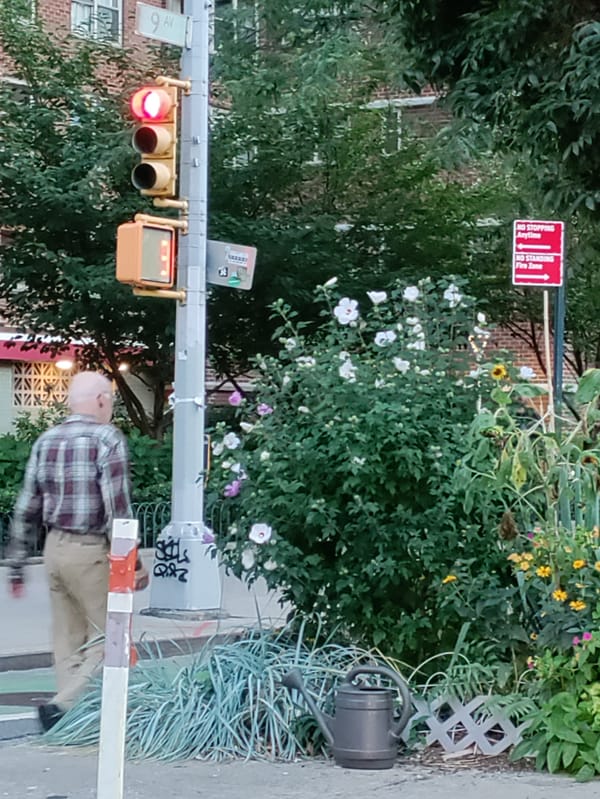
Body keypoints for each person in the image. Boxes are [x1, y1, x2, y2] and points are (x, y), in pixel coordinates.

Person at [7, 371, 149, 732]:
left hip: (54, 547)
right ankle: (63, 706)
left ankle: (71, 722)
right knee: (110, 635)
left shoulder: (46, 440)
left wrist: (18, 565)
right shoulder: (106, 439)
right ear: (101, 400)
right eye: (111, 402)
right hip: (90, 551)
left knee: (67, 638)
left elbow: (27, 506)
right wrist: (132, 562)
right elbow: (118, 507)